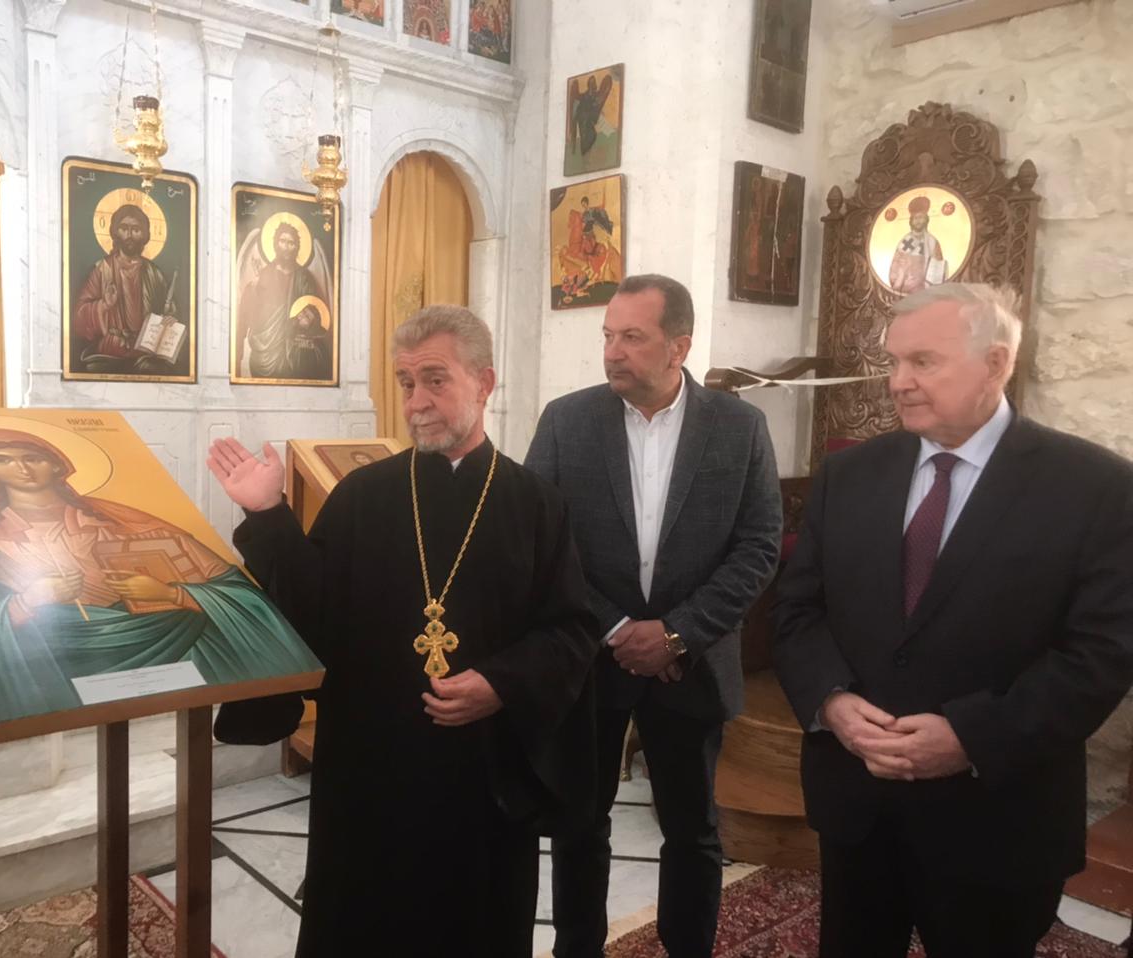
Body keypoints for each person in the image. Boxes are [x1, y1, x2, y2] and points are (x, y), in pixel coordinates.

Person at [207, 305, 599, 958]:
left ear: (485, 382)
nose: (416, 402)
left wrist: (502, 684)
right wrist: (268, 514)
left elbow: (571, 631)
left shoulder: (537, 505)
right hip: (371, 773)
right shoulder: (362, 496)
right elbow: (311, 615)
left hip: (481, 779)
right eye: (406, 383)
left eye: (435, 380)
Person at [771, 283, 1133, 958]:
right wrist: (831, 701)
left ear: (995, 363)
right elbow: (797, 609)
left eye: (923, 362)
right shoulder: (848, 474)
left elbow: (1101, 655)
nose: (898, 382)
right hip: (858, 804)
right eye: (894, 361)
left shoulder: (1097, 488)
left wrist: (971, 736)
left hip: (996, 817)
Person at [525, 274, 783, 958]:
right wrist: (616, 629)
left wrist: (676, 634)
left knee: (693, 831)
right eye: (608, 335)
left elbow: (759, 546)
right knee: (580, 823)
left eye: (632, 337)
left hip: (689, 665)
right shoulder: (566, 421)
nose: (612, 351)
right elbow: (542, 541)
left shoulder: (740, 427)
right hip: (591, 660)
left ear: (679, 347)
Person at [0, 428, 318, 740]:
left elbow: (233, 592)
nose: (21, 468)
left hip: (160, 649)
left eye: (33, 457)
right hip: (42, 667)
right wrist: (26, 602)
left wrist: (172, 594)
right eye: (0, 459)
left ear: (58, 463)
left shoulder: (126, 519)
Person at [73, 204, 178, 375]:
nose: (129, 235)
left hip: (145, 350)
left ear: (145, 235)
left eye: (136, 230)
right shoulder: (102, 270)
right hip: (112, 347)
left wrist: (169, 320)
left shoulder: (154, 274)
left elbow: (167, 312)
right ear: (115, 232)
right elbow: (79, 317)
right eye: (124, 229)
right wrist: (104, 305)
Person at [236, 222, 331, 381]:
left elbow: (315, 310)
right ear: (275, 244)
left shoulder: (305, 278)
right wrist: (254, 288)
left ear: (297, 247)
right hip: (265, 347)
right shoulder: (263, 275)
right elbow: (249, 312)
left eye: (291, 243)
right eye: (282, 241)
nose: (286, 247)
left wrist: (308, 320)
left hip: (296, 349)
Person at [888, 195, 946, 294]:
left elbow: (938, 269)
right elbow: (895, 266)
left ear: (926, 220)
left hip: (925, 289)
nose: (918, 220)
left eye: (921, 217)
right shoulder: (905, 241)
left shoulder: (932, 242)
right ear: (911, 221)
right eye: (915, 218)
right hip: (904, 286)